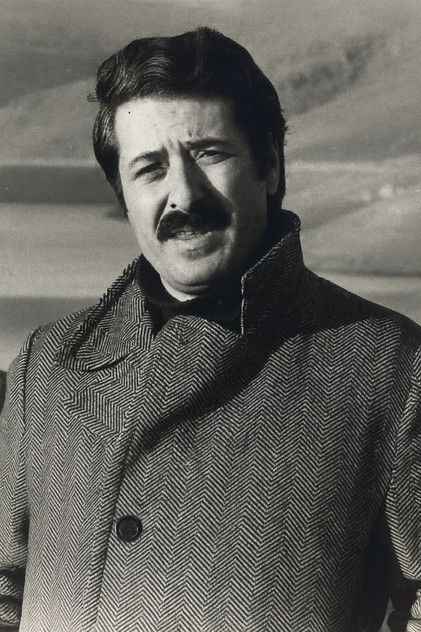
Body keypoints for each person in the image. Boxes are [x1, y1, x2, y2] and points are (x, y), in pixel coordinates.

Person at [0, 27, 420, 632]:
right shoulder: (46, 367)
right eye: (150, 169)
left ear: (269, 164)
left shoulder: (388, 366)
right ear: (124, 195)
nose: (183, 195)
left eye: (208, 154)